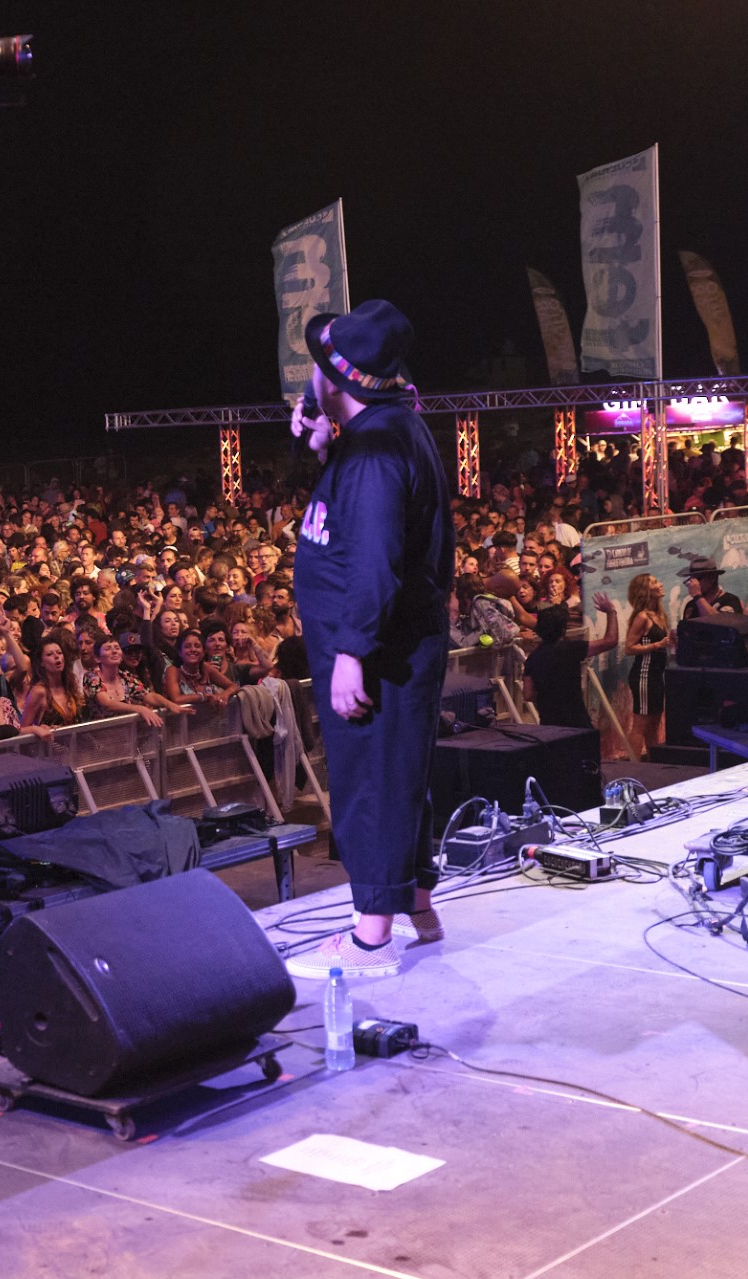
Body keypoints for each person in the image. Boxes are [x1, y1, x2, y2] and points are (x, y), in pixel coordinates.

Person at [284, 300, 453, 980]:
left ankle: (371, 938)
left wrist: (351, 651)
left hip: (376, 650)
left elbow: (375, 559)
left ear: (337, 380)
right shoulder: (380, 432)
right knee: (397, 773)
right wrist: (325, 447)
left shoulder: (379, 452)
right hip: (383, 642)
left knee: (372, 779)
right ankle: (414, 904)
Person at [522, 594, 620, 729]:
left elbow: (527, 695)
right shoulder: (571, 649)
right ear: (563, 629)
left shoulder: (533, 658)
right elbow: (610, 641)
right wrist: (611, 612)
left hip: (549, 724)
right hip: (576, 721)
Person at [623, 573, 673, 754]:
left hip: (657, 676)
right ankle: (635, 768)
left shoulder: (660, 615)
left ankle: (653, 764)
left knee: (654, 722)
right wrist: (657, 645)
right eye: (654, 582)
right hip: (644, 676)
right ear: (645, 591)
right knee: (640, 724)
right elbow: (629, 648)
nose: (660, 584)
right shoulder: (642, 617)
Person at [678, 559, 743, 620]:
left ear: (712, 578)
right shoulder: (691, 605)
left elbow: (720, 624)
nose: (694, 584)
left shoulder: (730, 600)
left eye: (697, 579)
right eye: (691, 580)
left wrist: (698, 597)